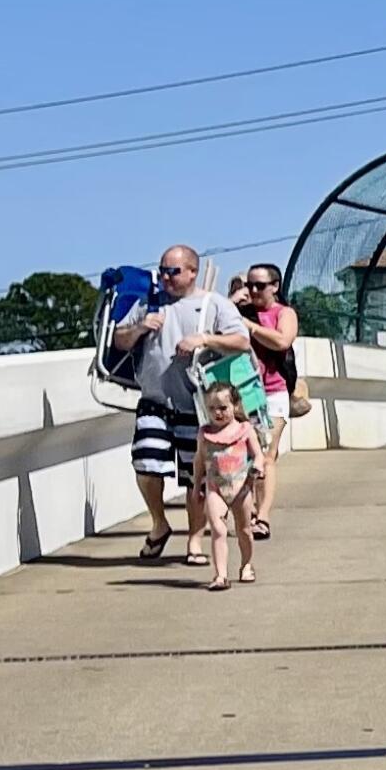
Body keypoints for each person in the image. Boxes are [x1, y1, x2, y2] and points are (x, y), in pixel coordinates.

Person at [113, 245, 256, 561]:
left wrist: (204, 339)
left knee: (198, 477)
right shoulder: (148, 303)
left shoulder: (213, 304)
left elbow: (241, 341)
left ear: (192, 271)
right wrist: (139, 328)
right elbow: (118, 339)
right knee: (146, 465)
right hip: (154, 400)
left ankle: (194, 540)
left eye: (173, 271)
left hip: (197, 404)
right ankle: (159, 523)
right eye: (163, 270)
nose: (165, 277)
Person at [235, 264, 301, 541]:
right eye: (249, 285)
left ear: (275, 286)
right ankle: (247, 511)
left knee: (266, 453)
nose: (253, 291)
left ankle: (262, 516)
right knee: (245, 457)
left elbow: (282, 340)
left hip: (273, 391)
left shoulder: (283, 313)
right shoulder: (239, 312)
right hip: (242, 393)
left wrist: (250, 326)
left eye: (260, 286)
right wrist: (231, 305)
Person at [191, 384, 260, 591]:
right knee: (218, 530)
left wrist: (257, 467)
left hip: (241, 488)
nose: (217, 413)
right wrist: (196, 486)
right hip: (215, 488)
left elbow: (258, 455)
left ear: (235, 406)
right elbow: (199, 460)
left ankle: (246, 564)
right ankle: (220, 575)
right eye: (212, 409)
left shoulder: (244, 430)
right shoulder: (205, 433)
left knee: (244, 530)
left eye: (222, 408)